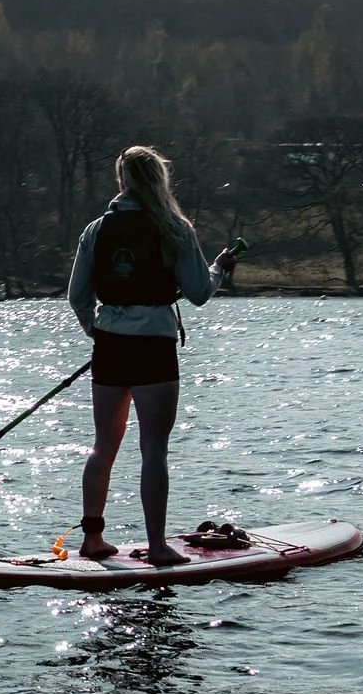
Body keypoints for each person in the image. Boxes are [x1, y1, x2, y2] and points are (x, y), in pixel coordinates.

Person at [65, 147, 237, 566]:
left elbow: (77, 297)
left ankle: (93, 539)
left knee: (102, 447)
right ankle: (158, 546)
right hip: (154, 350)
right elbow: (198, 292)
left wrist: (100, 331)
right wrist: (219, 269)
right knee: (153, 450)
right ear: (159, 181)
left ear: (122, 181)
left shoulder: (96, 230)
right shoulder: (174, 228)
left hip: (110, 347)